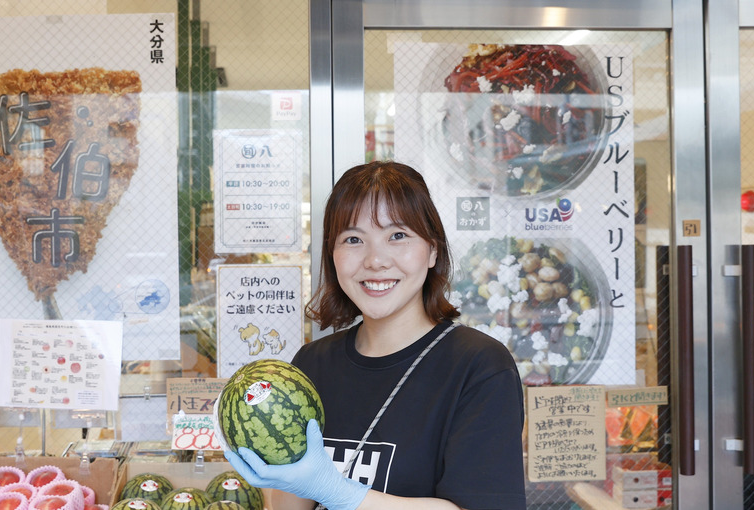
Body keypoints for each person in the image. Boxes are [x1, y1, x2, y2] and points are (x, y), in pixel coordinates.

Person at [224, 161, 527, 510]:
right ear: (333, 256)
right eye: (353, 239)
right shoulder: (311, 364)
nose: (375, 260)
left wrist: (339, 492)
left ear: (432, 250)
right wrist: (274, 466)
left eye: (397, 236)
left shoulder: (479, 366)